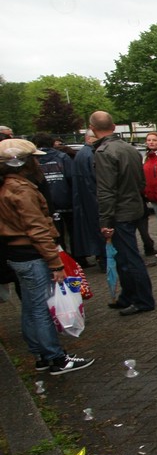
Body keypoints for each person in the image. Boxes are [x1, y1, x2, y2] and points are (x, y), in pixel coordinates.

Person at [0, 138, 93, 374]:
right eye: (34, 159)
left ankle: (41, 354)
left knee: (31, 306)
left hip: (20, 254)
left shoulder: (9, 186)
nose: (38, 163)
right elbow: (37, 228)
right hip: (31, 255)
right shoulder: (21, 190)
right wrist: (55, 263)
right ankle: (56, 357)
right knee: (40, 307)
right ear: (21, 162)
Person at [90, 111, 156, 316]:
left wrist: (105, 220)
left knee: (129, 257)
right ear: (113, 126)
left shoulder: (104, 152)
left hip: (120, 212)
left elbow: (106, 190)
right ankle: (128, 296)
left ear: (92, 129)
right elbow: (141, 181)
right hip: (134, 206)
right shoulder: (129, 148)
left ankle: (143, 300)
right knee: (124, 257)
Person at [30, 133, 73, 251]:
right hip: (65, 198)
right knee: (72, 230)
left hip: (45, 202)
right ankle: (78, 257)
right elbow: (71, 177)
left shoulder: (33, 160)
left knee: (55, 233)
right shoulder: (62, 157)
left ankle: (61, 254)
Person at [70, 131, 105, 269]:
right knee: (101, 230)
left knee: (95, 230)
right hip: (95, 198)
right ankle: (104, 260)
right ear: (90, 138)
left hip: (87, 199)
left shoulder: (80, 154)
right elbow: (97, 178)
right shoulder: (91, 154)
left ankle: (101, 257)